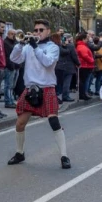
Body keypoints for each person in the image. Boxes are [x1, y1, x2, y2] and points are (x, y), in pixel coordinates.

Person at [7, 19, 70, 169]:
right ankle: (20, 153)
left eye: (41, 30)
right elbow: (14, 58)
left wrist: (35, 47)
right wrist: (20, 44)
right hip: (30, 88)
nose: (37, 32)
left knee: (53, 121)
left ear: (48, 31)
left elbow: (47, 62)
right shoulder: (28, 47)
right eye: (36, 30)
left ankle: (64, 156)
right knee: (20, 123)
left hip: (47, 88)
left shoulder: (53, 47)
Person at [3, 29, 19, 108]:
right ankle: (8, 101)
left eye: (15, 34)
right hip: (10, 66)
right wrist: (10, 65)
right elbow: (8, 55)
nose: (14, 36)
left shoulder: (15, 42)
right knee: (8, 85)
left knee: (12, 85)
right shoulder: (6, 42)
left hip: (16, 66)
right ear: (8, 34)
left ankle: (11, 100)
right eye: (12, 34)